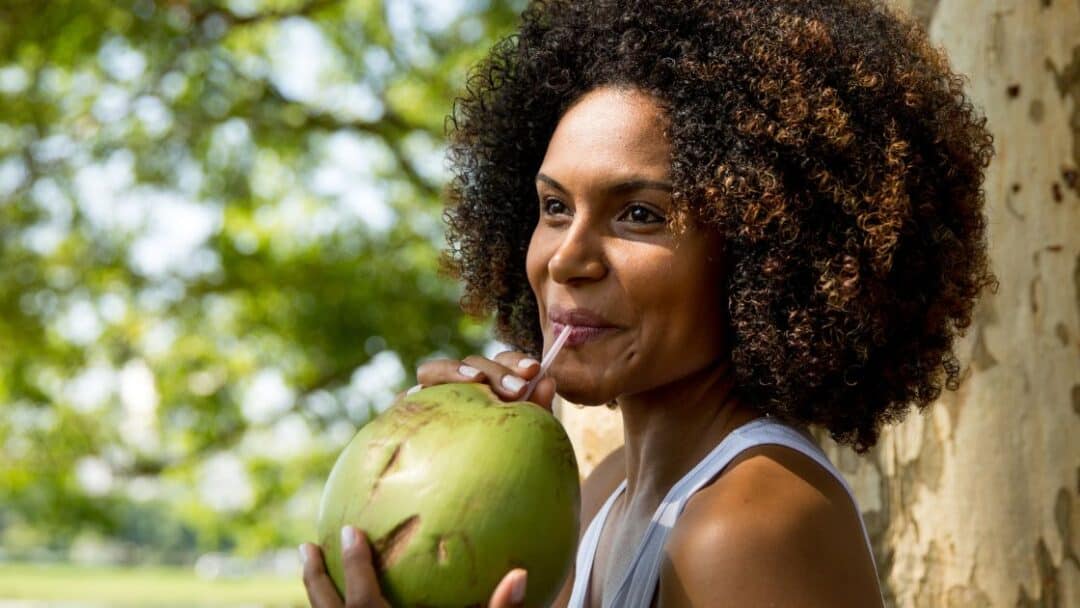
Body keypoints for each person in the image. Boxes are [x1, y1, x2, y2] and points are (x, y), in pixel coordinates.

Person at [300, 0, 996, 605]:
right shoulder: (603, 495)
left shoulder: (748, 527)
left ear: (764, 248)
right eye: (554, 206)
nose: (567, 258)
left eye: (639, 214)